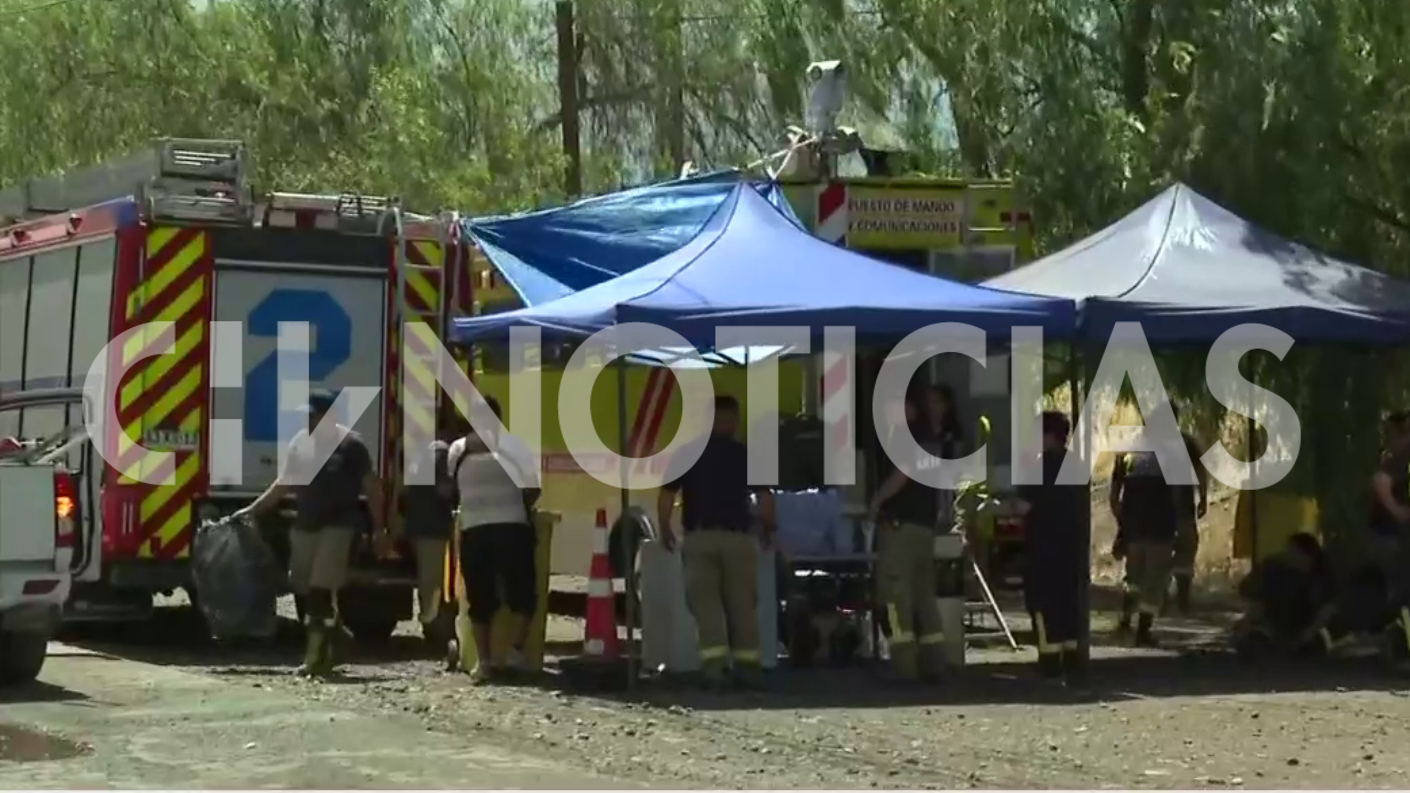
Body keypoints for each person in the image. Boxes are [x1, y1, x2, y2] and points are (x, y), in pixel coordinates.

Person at [234, 388, 385, 678]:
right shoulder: (300, 444)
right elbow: (282, 485)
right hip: (305, 526)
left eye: (312, 415)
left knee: (319, 590)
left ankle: (316, 658)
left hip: (338, 526)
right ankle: (335, 634)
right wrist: (251, 511)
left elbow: (372, 489)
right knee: (301, 586)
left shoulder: (351, 446)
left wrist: (379, 528)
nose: (307, 420)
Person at [657, 395, 776, 690]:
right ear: (734, 421)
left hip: (700, 538)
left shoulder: (687, 453)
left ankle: (716, 670)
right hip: (738, 539)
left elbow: (667, 496)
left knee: (706, 605)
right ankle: (749, 669)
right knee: (742, 606)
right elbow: (765, 498)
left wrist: (664, 528)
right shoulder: (746, 454)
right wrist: (767, 529)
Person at [449, 395, 540, 684]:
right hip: (512, 527)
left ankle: (484, 663)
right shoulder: (516, 447)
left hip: (475, 529)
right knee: (523, 594)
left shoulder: (458, 449)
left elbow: (450, 487)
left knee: (480, 599)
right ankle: (514, 650)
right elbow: (533, 488)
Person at [868, 389, 948, 683]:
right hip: (924, 528)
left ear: (907, 407)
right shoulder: (931, 440)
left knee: (894, 598)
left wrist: (877, 500)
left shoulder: (905, 436)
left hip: (900, 529)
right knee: (924, 597)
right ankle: (935, 662)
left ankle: (904, 666)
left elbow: (902, 474)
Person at [1016, 412, 1088, 685]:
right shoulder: (1077, 465)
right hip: (1071, 546)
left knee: (1043, 606)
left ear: (1047, 436)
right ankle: (1071, 662)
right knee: (1067, 604)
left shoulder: (1039, 468)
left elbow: (1024, 506)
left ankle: (1049, 663)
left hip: (1043, 548)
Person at [1109, 405, 1187, 647]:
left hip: (1134, 526)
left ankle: (1124, 620)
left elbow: (1114, 496)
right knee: (1154, 578)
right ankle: (1143, 630)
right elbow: (1176, 493)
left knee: (1133, 575)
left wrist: (1123, 523)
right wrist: (1181, 524)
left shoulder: (1128, 450)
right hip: (1160, 525)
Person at [401, 416, 463, 648]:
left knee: (428, 578)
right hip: (433, 526)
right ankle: (434, 626)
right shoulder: (443, 453)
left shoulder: (423, 451)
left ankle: (431, 623)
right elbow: (444, 490)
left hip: (418, 525)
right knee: (434, 580)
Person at [1231, 532, 1336, 655]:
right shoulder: (1275, 570)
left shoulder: (1320, 576)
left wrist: (1308, 633)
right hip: (1272, 628)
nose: (1288, 556)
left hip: (1308, 630)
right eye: (1288, 551)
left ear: (1309, 556)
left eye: (1294, 552)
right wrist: (1246, 623)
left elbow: (1327, 609)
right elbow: (1256, 601)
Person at [1167, 409, 1209, 615]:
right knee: (1183, 553)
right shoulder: (1186, 442)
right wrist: (1203, 496)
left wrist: (1203, 496)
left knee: (1172, 552)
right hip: (1179, 508)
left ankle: (1168, 600)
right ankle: (1180, 601)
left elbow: (1200, 470)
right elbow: (1201, 470)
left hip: (1168, 510)